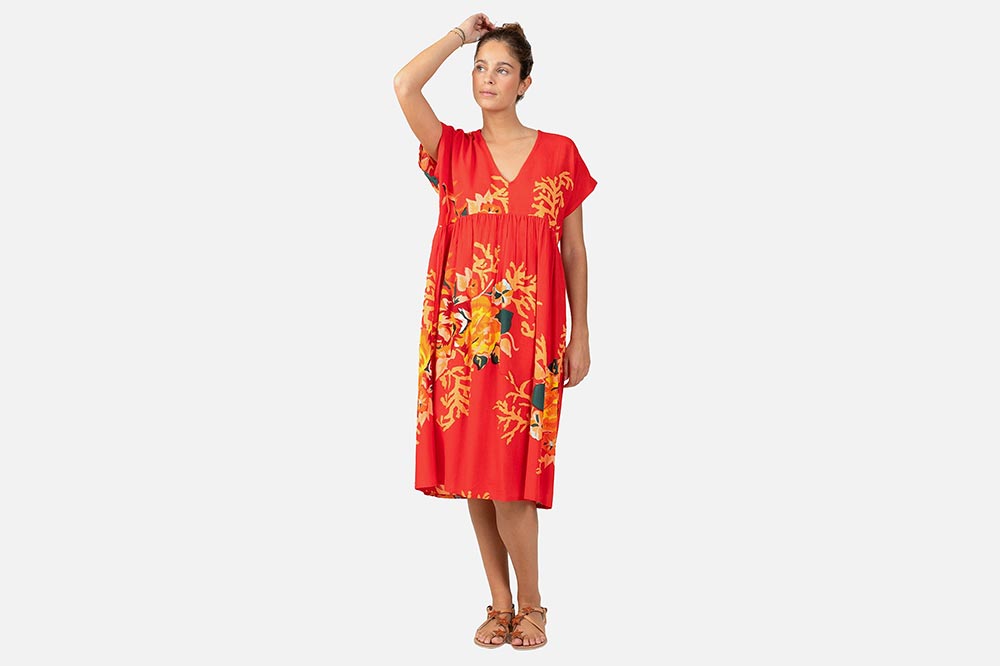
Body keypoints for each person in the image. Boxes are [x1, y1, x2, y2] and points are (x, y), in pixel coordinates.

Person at [393, 13, 596, 650]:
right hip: (464, 339)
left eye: (502, 69)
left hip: (530, 341)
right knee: (476, 474)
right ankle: (501, 605)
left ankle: (533, 605)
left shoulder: (560, 154)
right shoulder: (453, 152)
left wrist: (582, 334)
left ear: (525, 83)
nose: (488, 78)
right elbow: (404, 85)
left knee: (512, 480)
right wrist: (460, 35)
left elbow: (573, 251)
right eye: (480, 68)